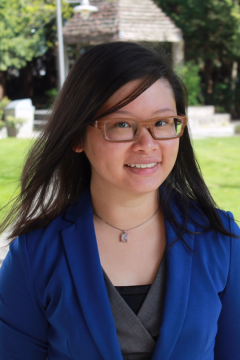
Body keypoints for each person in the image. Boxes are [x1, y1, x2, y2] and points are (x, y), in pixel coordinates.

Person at [0, 42, 239, 360]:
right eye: (122, 124)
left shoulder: (221, 240)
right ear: (76, 137)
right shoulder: (35, 254)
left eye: (162, 123)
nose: (147, 144)